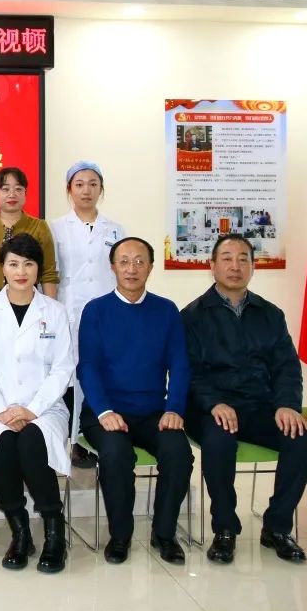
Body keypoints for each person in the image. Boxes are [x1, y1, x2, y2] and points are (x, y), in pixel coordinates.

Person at [182, 234, 307, 564]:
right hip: (209, 409)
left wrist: (287, 405)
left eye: (243, 259)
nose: (235, 266)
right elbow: (189, 372)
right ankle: (225, 529)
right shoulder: (192, 316)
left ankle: (277, 527)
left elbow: (287, 367)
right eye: (227, 258)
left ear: (253, 268)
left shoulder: (270, 314)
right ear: (212, 266)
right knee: (219, 440)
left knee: (301, 437)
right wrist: (214, 403)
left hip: (258, 406)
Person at [77, 236, 193, 565]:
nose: (132, 269)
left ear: (151, 268)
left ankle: (164, 533)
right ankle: (120, 535)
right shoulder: (96, 310)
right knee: (115, 454)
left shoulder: (166, 310)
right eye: (124, 262)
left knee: (179, 453)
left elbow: (180, 364)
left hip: (154, 411)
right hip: (105, 412)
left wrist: (175, 408)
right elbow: (88, 367)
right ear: (113, 267)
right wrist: (105, 411)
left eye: (140, 262)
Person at [0, 233, 71, 573]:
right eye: (13, 264)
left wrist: (32, 409)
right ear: (2, 268)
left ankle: (54, 530)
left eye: (28, 264)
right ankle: (20, 530)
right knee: (1, 446)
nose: (21, 272)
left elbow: (63, 368)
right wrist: (2, 410)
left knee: (32, 441)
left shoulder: (54, 311)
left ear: (39, 269)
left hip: (44, 408)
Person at [50, 160, 124, 468]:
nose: (86, 190)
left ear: (101, 189)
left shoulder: (115, 229)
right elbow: (51, 273)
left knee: (101, 372)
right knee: (71, 377)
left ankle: (92, 434)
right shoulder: (55, 228)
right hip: (69, 311)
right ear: (69, 189)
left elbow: (121, 271)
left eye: (93, 184)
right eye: (79, 184)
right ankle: (70, 438)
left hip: (106, 314)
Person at [0, 167, 58, 302]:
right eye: (5, 189)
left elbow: (48, 273)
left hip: (28, 298)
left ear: (25, 193)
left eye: (18, 189)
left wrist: (51, 307)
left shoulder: (39, 227)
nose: (12, 194)